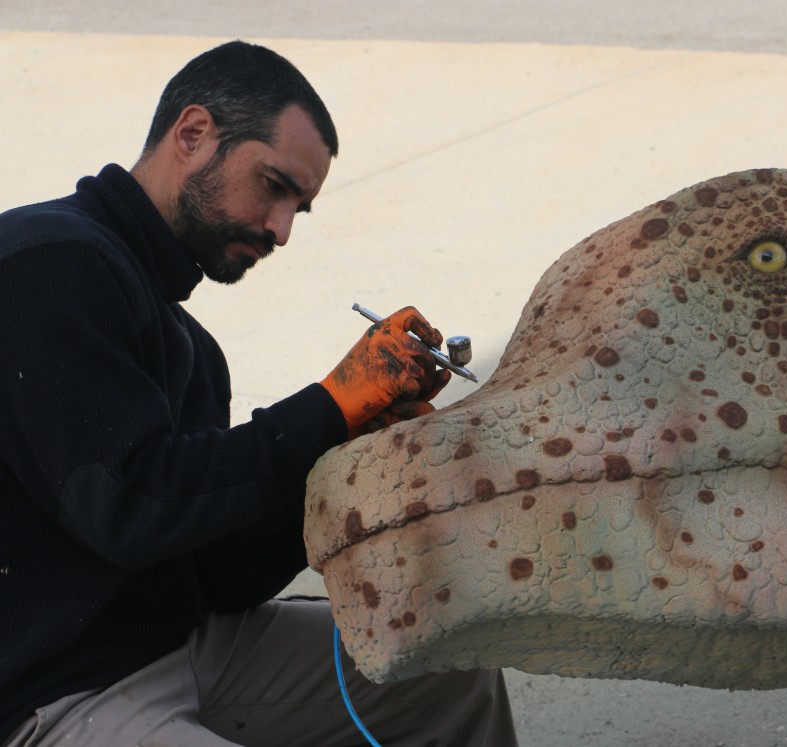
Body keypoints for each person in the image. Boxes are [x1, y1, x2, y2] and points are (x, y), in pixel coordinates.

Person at [0, 41, 518, 746]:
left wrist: (344, 462)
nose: (280, 229)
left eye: (298, 209)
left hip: (182, 650)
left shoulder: (191, 348)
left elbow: (215, 573)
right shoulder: (46, 261)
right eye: (274, 185)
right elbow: (129, 506)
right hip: (51, 693)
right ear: (192, 134)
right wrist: (330, 405)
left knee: (445, 672)